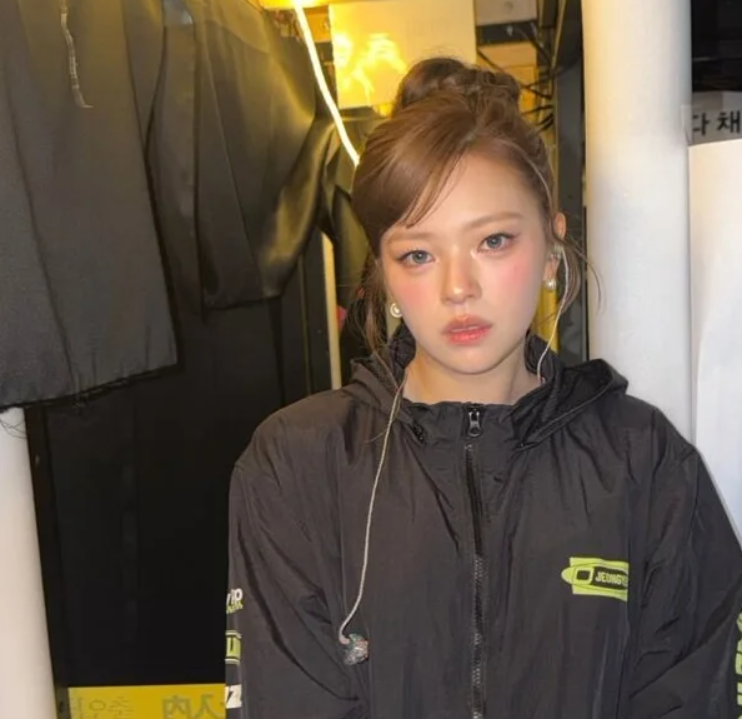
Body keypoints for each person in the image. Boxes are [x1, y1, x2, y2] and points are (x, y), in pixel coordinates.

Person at [224, 57, 742, 719]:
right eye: (418, 254)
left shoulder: (644, 461)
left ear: (552, 247)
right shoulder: (297, 463)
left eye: (493, 241)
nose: (457, 287)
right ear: (383, 273)